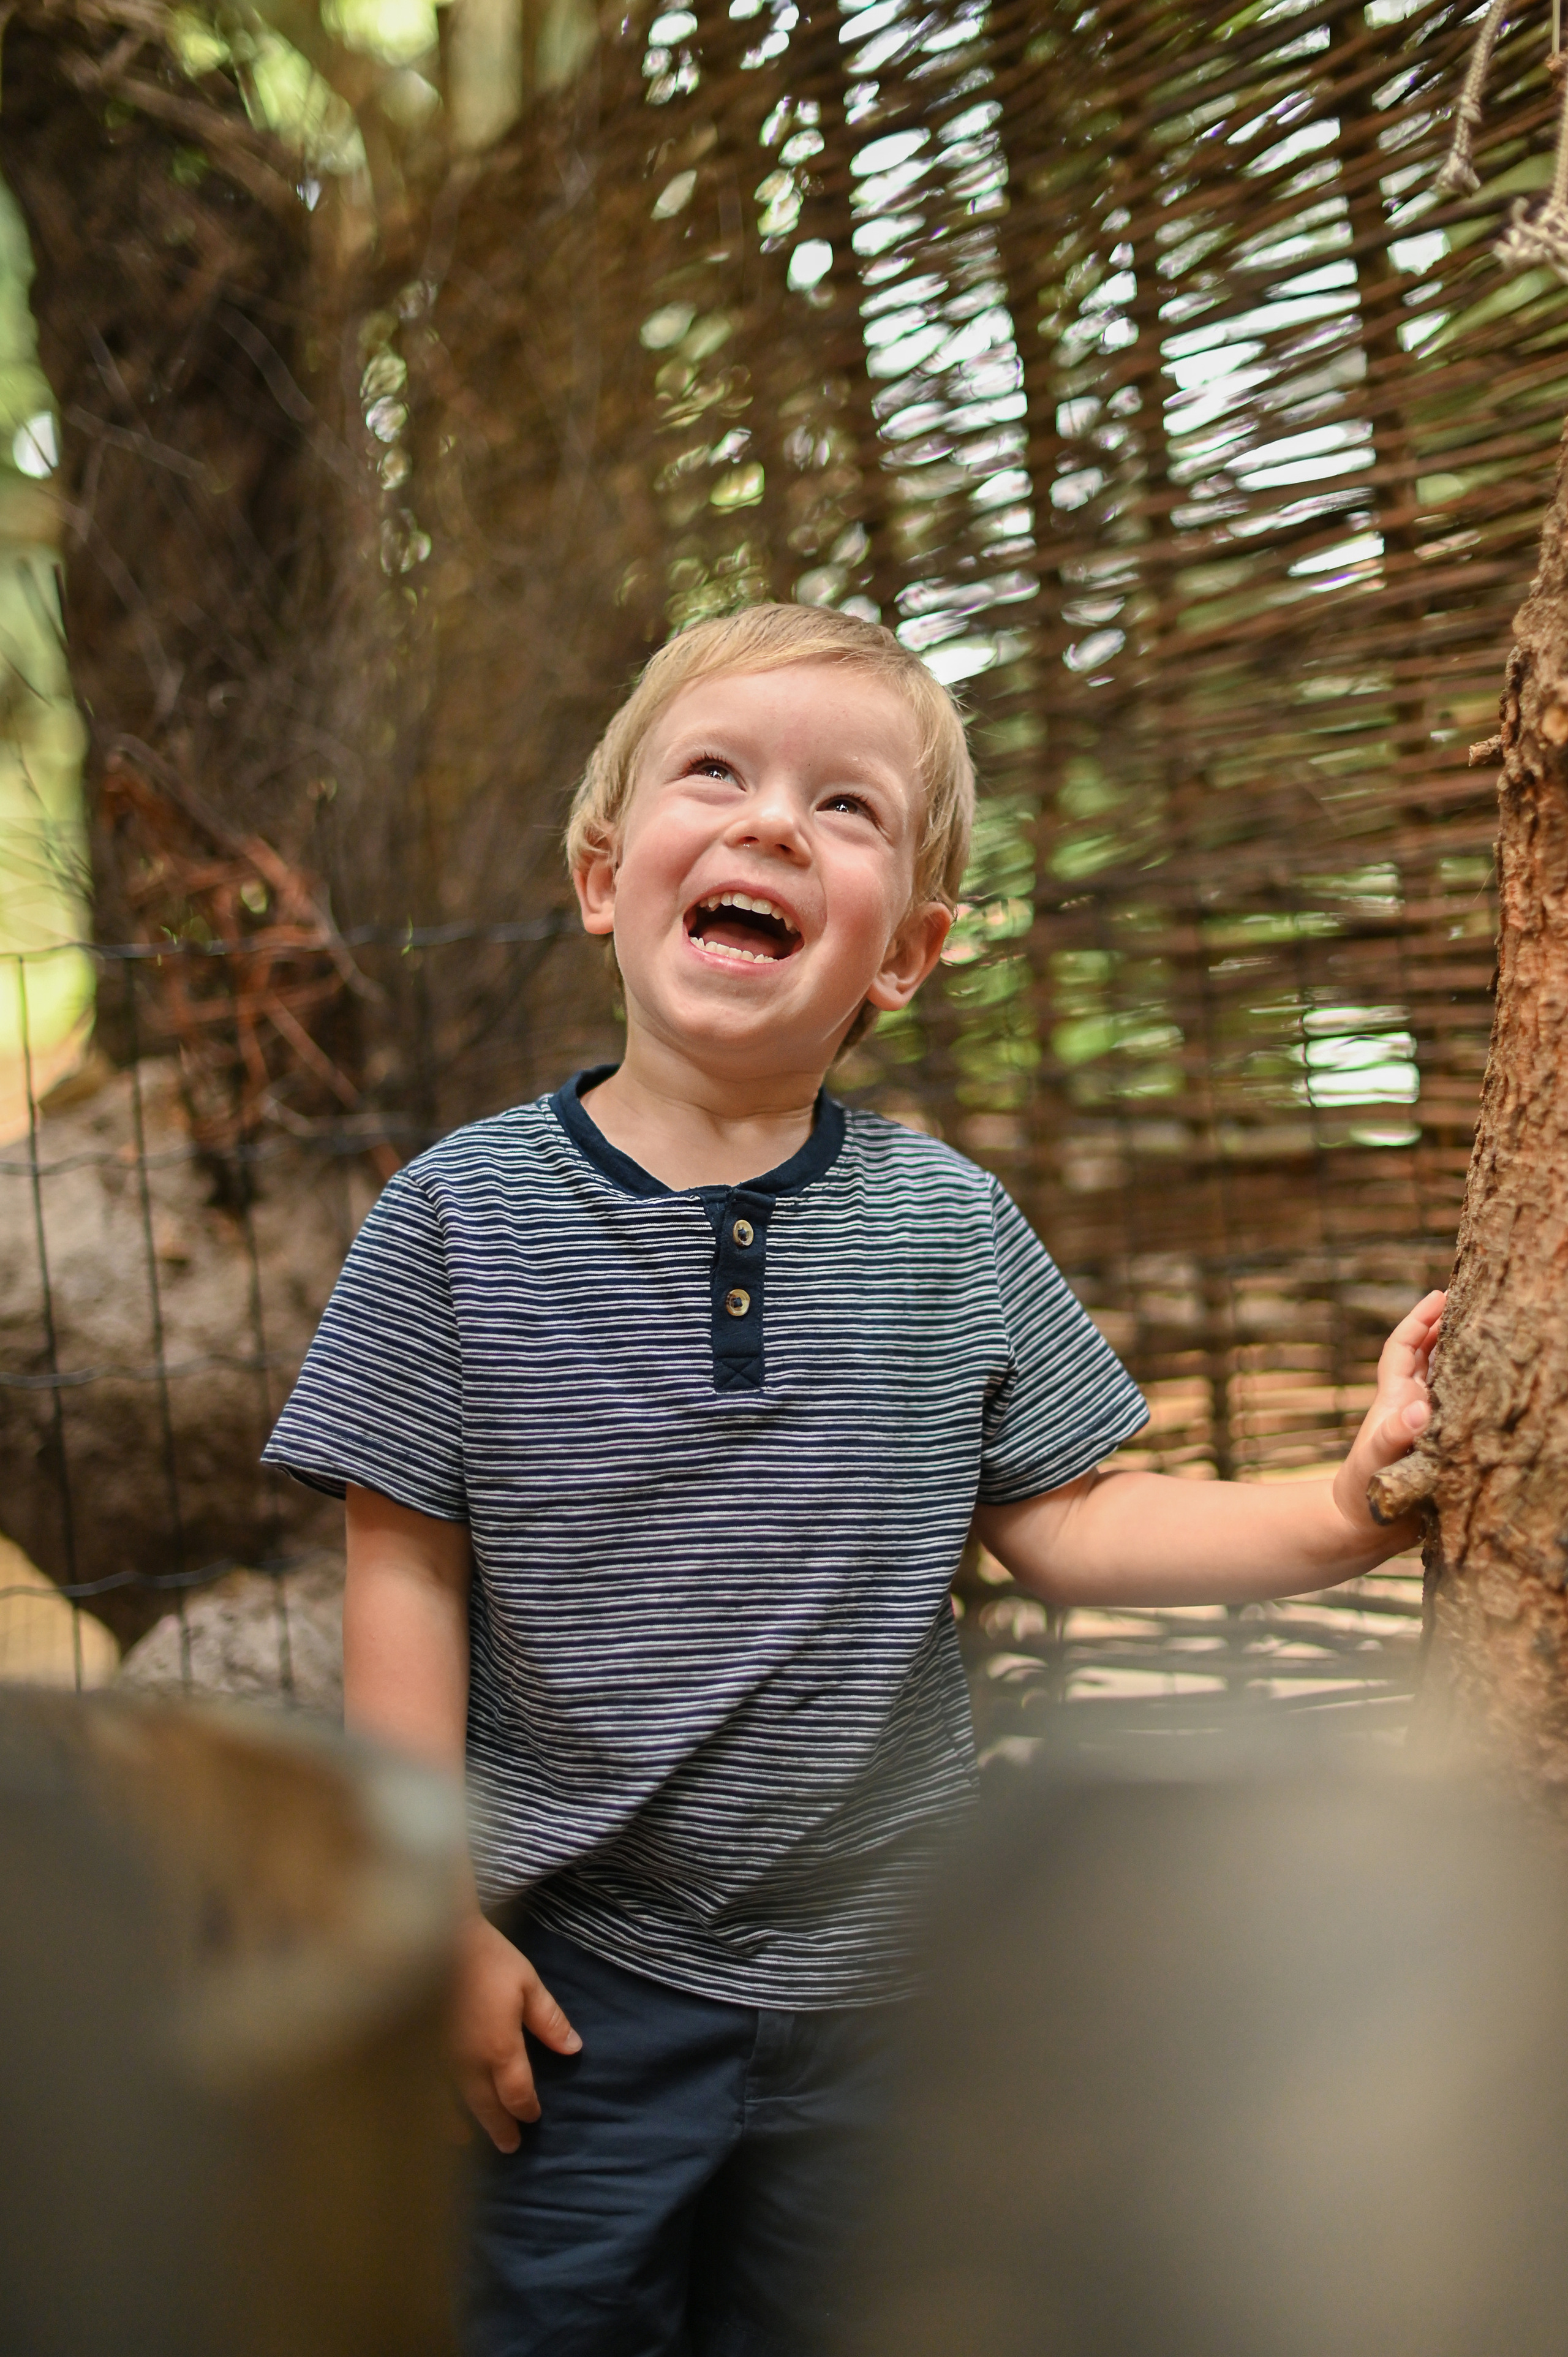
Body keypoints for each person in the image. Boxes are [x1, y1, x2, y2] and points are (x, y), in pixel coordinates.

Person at [262, 604, 1443, 2357]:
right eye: (715, 774)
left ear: (906, 952)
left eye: (845, 810)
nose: (767, 826)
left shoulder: (947, 1229)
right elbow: (404, 1579)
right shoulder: (459, 1220)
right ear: (605, 875)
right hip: (568, 1990)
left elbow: (1072, 1516)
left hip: (892, 1998)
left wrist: (1343, 1509)